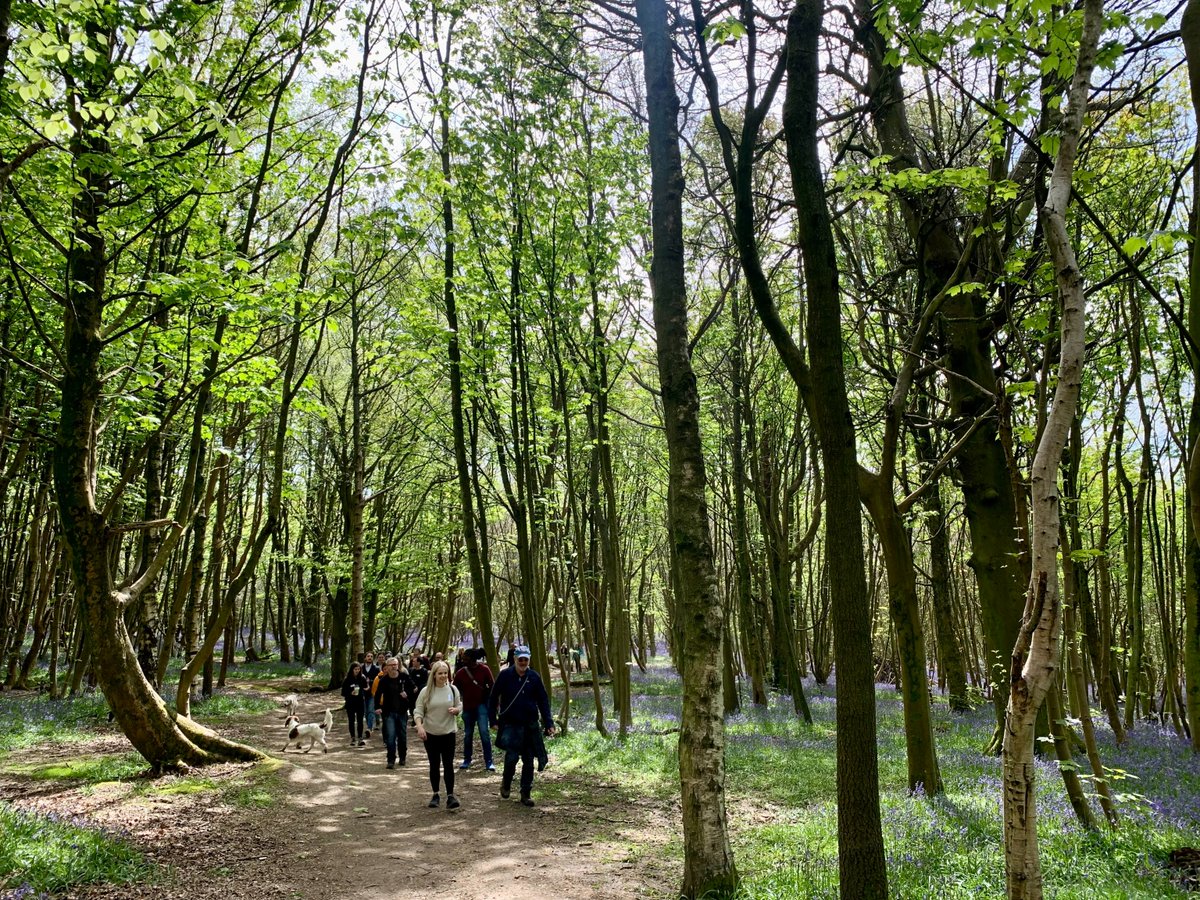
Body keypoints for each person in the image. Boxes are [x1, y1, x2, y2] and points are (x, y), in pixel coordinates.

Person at [489, 645, 555, 807]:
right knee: (511, 758)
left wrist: (549, 723)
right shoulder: (505, 676)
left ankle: (526, 793)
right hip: (511, 725)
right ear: (515, 659)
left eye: (526, 659)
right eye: (520, 659)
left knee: (528, 760)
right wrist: (493, 720)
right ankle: (506, 782)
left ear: (529, 660)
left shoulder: (534, 677)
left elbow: (543, 701)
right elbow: (493, 698)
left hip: (530, 726)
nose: (523, 662)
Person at [415, 660, 461, 810]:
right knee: (434, 764)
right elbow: (418, 711)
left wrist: (457, 710)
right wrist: (420, 727)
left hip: (448, 733)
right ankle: (435, 794)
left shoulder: (453, 690)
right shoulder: (426, 691)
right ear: (434, 675)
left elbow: (459, 704)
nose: (443, 676)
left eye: (445, 673)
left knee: (448, 764)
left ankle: (450, 796)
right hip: (431, 734)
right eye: (440, 673)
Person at [453, 648, 495, 771]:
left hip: (481, 706)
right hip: (467, 707)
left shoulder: (484, 669)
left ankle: (489, 761)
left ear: (472, 659)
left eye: (465, 658)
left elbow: (492, 687)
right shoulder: (461, 673)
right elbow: (455, 689)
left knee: (484, 733)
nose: (462, 659)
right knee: (468, 734)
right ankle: (467, 759)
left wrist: (493, 705)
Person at [374, 657, 415, 769]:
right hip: (388, 712)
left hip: (402, 711)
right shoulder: (384, 680)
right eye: (391, 665)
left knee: (402, 736)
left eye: (395, 665)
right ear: (386, 667)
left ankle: (402, 757)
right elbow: (377, 694)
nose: (393, 667)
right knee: (391, 737)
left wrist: (407, 693)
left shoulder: (404, 677)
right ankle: (391, 759)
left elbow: (414, 689)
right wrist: (377, 707)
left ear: (398, 666)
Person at [341, 661, 370, 746]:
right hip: (350, 702)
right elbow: (343, 693)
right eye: (355, 669)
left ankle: (360, 738)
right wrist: (350, 693)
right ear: (352, 670)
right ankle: (353, 737)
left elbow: (366, 688)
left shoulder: (362, 677)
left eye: (358, 669)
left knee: (360, 720)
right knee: (351, 720)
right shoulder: (347, 679)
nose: (357, 671)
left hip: (360, 702)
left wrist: (367, 687)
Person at [362, 652, 381, 738]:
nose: (370, 658)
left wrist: (369, 681)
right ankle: (370, 725)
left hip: (372, 693)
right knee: (365, 712)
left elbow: (379, 681)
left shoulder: (376, 669)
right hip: (362, 693)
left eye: (371, 656)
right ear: (365, 658)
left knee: (370, 710)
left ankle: (369, 728)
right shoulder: (361, 668)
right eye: (368, 656)